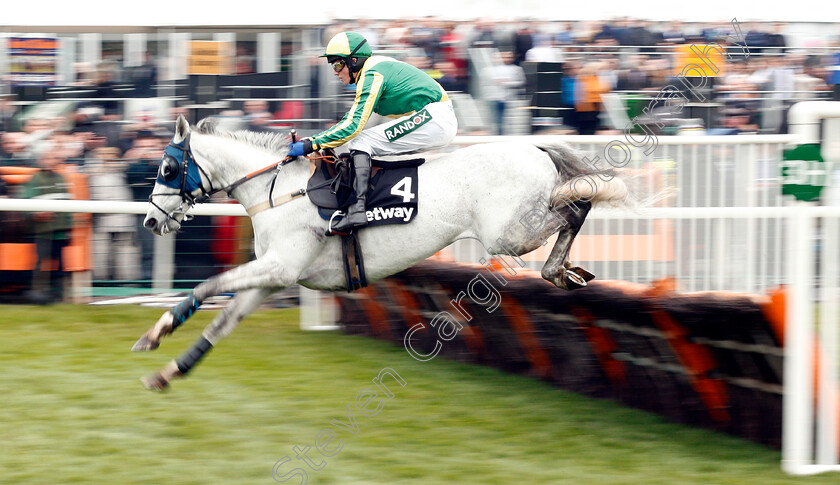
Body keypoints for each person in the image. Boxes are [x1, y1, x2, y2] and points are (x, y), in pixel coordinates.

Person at [287, 31, 458, 235]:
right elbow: (350, 120)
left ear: (354, 61)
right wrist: (317, 140)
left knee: (362, 141)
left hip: (434, 117)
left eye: (338, 65)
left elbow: (353, 127)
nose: (335, 72)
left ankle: (358, 210)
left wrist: (313, 144)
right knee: (362, 142)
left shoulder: (372, 74)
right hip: (433, 117)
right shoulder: (371, 72)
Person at [21, 140, 74, 303]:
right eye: (48, 158)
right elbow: (26, 199)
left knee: (59, 263)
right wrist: (35, 213)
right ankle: (38, 292)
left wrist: (68, 227)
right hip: (42, 230)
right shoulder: (35, 179)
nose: (51, 161)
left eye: (54, 158)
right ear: (41, 160)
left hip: (59, 230)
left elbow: (67, 201)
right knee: (40, 261)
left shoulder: (61, 178)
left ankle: (59, 294)